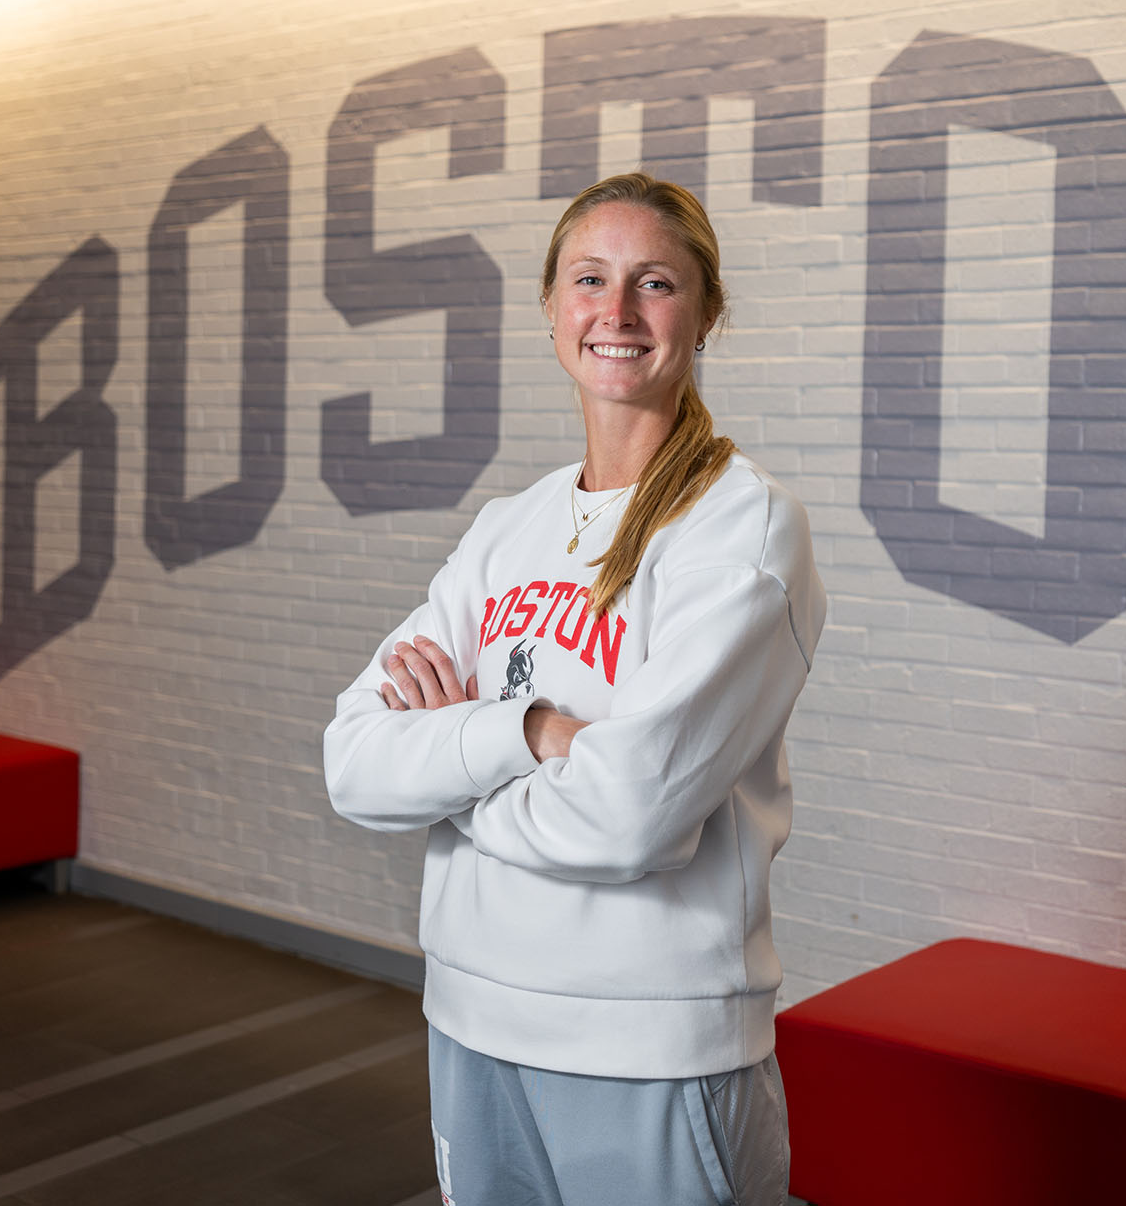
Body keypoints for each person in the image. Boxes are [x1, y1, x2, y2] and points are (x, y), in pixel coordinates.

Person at [325, 172, 824, 1206]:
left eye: (655, 283)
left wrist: (455, 763)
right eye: (590, 279)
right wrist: (534, 730)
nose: (618, 311)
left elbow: (626, 816)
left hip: (648, 1045)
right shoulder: (510, 523)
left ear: (705, 312)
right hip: (466, 1018)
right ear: (553, 310)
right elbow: (355, 764)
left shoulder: (741, 529)